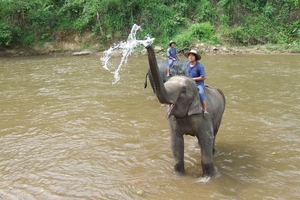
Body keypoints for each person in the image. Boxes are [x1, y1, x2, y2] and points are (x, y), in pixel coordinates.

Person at [184, 49, 209, 118]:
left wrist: (194, 79)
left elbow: (203, 77)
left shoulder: (200, 66)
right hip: (189, 82)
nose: (190, 57)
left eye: (192, 56)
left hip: (198, 83)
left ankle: (205, 110)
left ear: (195, 57)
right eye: (189, 56)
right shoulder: (187, 64)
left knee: (201, 93)